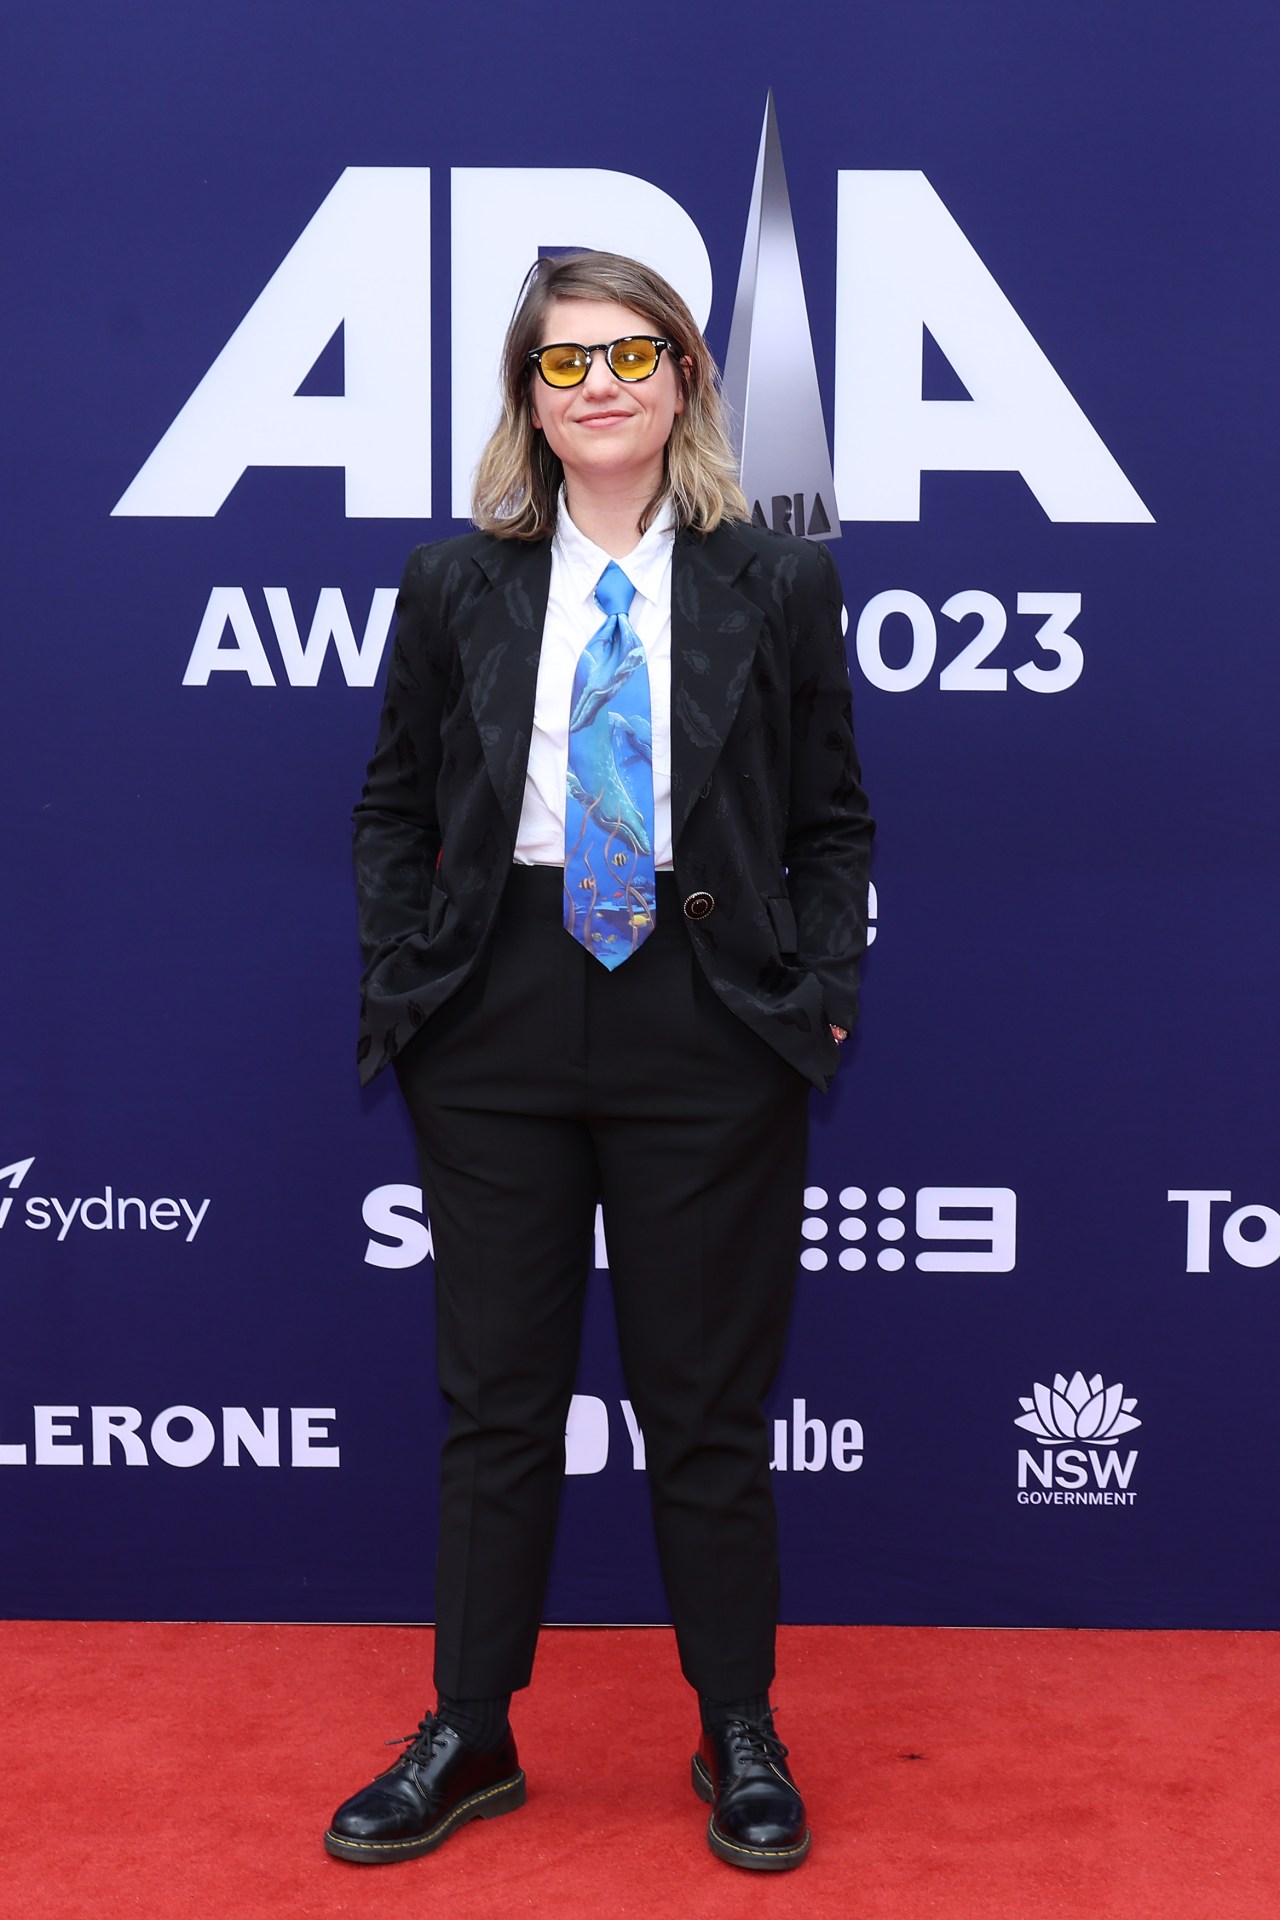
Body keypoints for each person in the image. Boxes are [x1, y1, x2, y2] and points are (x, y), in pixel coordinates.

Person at [325, 251, 873, 1873]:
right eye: (565, 366)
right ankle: (472, 1732)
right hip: (492, 1017)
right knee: (496, 1403)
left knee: (704, 1407)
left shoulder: (776, 583)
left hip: (706, 1019)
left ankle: (737, 1730)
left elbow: (832, 816)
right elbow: (392, 807)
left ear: (687, 376)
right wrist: (404, 976)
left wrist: (820, 989)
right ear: (529, 399)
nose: (602, 387)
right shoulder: (455, 583)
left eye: (631, 355)